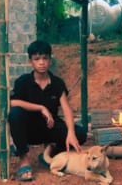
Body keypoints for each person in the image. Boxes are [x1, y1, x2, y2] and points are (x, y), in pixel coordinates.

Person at [8, 40, 87, 182]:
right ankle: (24, 160)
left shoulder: (57, 83)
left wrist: (70, 133)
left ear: (50, 60)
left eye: (45, 58)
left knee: (80, 134)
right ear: (30, 61)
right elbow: (12, 102)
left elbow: (67, 109)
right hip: (29, 129)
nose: (41, 62)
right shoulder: (23, 81)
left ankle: (50, 153)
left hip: (50, 128)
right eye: (37, 59)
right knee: (15, 114)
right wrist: (41, 107)